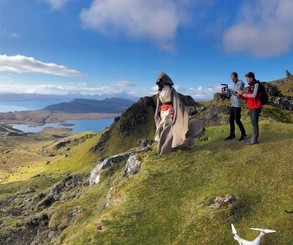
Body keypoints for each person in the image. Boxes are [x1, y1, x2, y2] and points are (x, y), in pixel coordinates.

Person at [154, 72, 204, 155]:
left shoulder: (171, 90)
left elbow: (176, 102)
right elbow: (158, 104)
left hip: (169, 112)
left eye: (162, 80)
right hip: (162, 112)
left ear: (166, 80)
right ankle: (165, 146)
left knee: (168, 128)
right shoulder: (160, 92)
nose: (161, 82)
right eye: (160, 81)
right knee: (162, 127)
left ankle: (165, 149)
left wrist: (180, 112)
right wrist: (156, 113)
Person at [237, 72, 262, 145]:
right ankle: (253, 138)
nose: (246, 80)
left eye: (247, 78)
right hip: (251, 106)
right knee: (253, 123)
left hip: (256, 106)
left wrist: (243, 93)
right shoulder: (251, 86)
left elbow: (254, 95)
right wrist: (241, 96)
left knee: (254, 123)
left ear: (251, 78)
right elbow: (248, 97)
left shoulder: (256, 84)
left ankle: (255, 140)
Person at [224, 72, 246, 141]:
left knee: (237, 121)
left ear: (236, 77)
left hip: (237, 105)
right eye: (231, 79)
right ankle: (232, 135)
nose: (232, 80)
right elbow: (233, 94)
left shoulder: (240, 83)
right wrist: (227, 92)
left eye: (233, 79)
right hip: (233, 104)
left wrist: (230, 90)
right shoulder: (234, 84)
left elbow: (237, 93)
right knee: (231, 120)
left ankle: (244, 134)